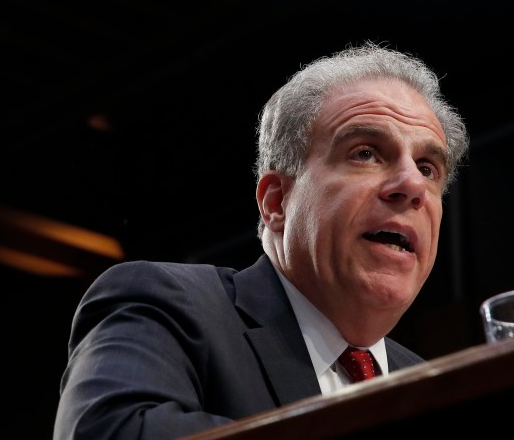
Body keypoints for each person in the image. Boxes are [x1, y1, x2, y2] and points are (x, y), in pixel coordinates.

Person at [52, 40, 469, 440]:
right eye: (365, 153)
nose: (412, 184)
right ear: (276, 202)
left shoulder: (433, 385)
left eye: (428, 168)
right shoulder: (169, 305)